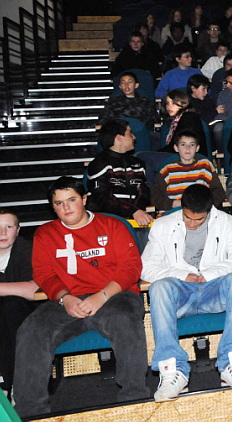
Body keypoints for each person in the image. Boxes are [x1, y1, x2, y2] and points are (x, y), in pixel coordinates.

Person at [14, 177, 150, 417]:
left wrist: (101, 296)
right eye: (59, 203)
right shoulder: (45, 233)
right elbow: (44, 274)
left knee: (124, 320)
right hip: (68, 300)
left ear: (84, 199)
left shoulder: (112, 225)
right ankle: (31, 412)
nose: (66, 208)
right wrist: (64, 298)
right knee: (32, 328)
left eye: (72, 200)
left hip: (114, 295)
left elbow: (131, 267)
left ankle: (134, 400)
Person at [141, 185, 232, 401]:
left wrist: (210, 273)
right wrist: (182, 275)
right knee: (158, 287)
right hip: (181, 293)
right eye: (187, 218)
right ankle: (172, 370)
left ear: (209, 211)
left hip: (214, 289)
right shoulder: (163, 225)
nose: (191, 224)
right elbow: (146, 267)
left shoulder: (228, 222)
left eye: (198, 220)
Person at [86, 119, 154, 227]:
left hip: (136, 220)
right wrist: (133, 211)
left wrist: (137, 211)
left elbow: (144, 193)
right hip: (106, 222)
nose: (134, 137)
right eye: (130, 133)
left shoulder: (138, 164)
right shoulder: (99, 163)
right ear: (119, 138)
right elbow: (102, 198)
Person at [0, 210, 37, 396]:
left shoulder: (26, 249)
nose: (2, 233)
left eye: (9, 227)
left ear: (18, 230)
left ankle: (12, 383)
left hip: (24, 312)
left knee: (10, 306)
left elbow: (33, 290)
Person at [151, 129, 226, 212]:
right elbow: (155, 197)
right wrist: (172, 204)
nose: (187, 148)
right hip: (176, 211)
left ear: (197, 148)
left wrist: (206, 204)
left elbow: (219, 191)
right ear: (176, 148)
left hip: (202, 210)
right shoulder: (167, 170)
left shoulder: (205, 165)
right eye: (183, 145)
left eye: (192, 145)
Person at [162, 89, 209, 157]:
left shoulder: (189, 118)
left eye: (174, 103)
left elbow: (180, 144)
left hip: (191, 158)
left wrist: (159, 154)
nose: (169, 106)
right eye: (167, 103)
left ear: (184, 103)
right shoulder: (173, 121)